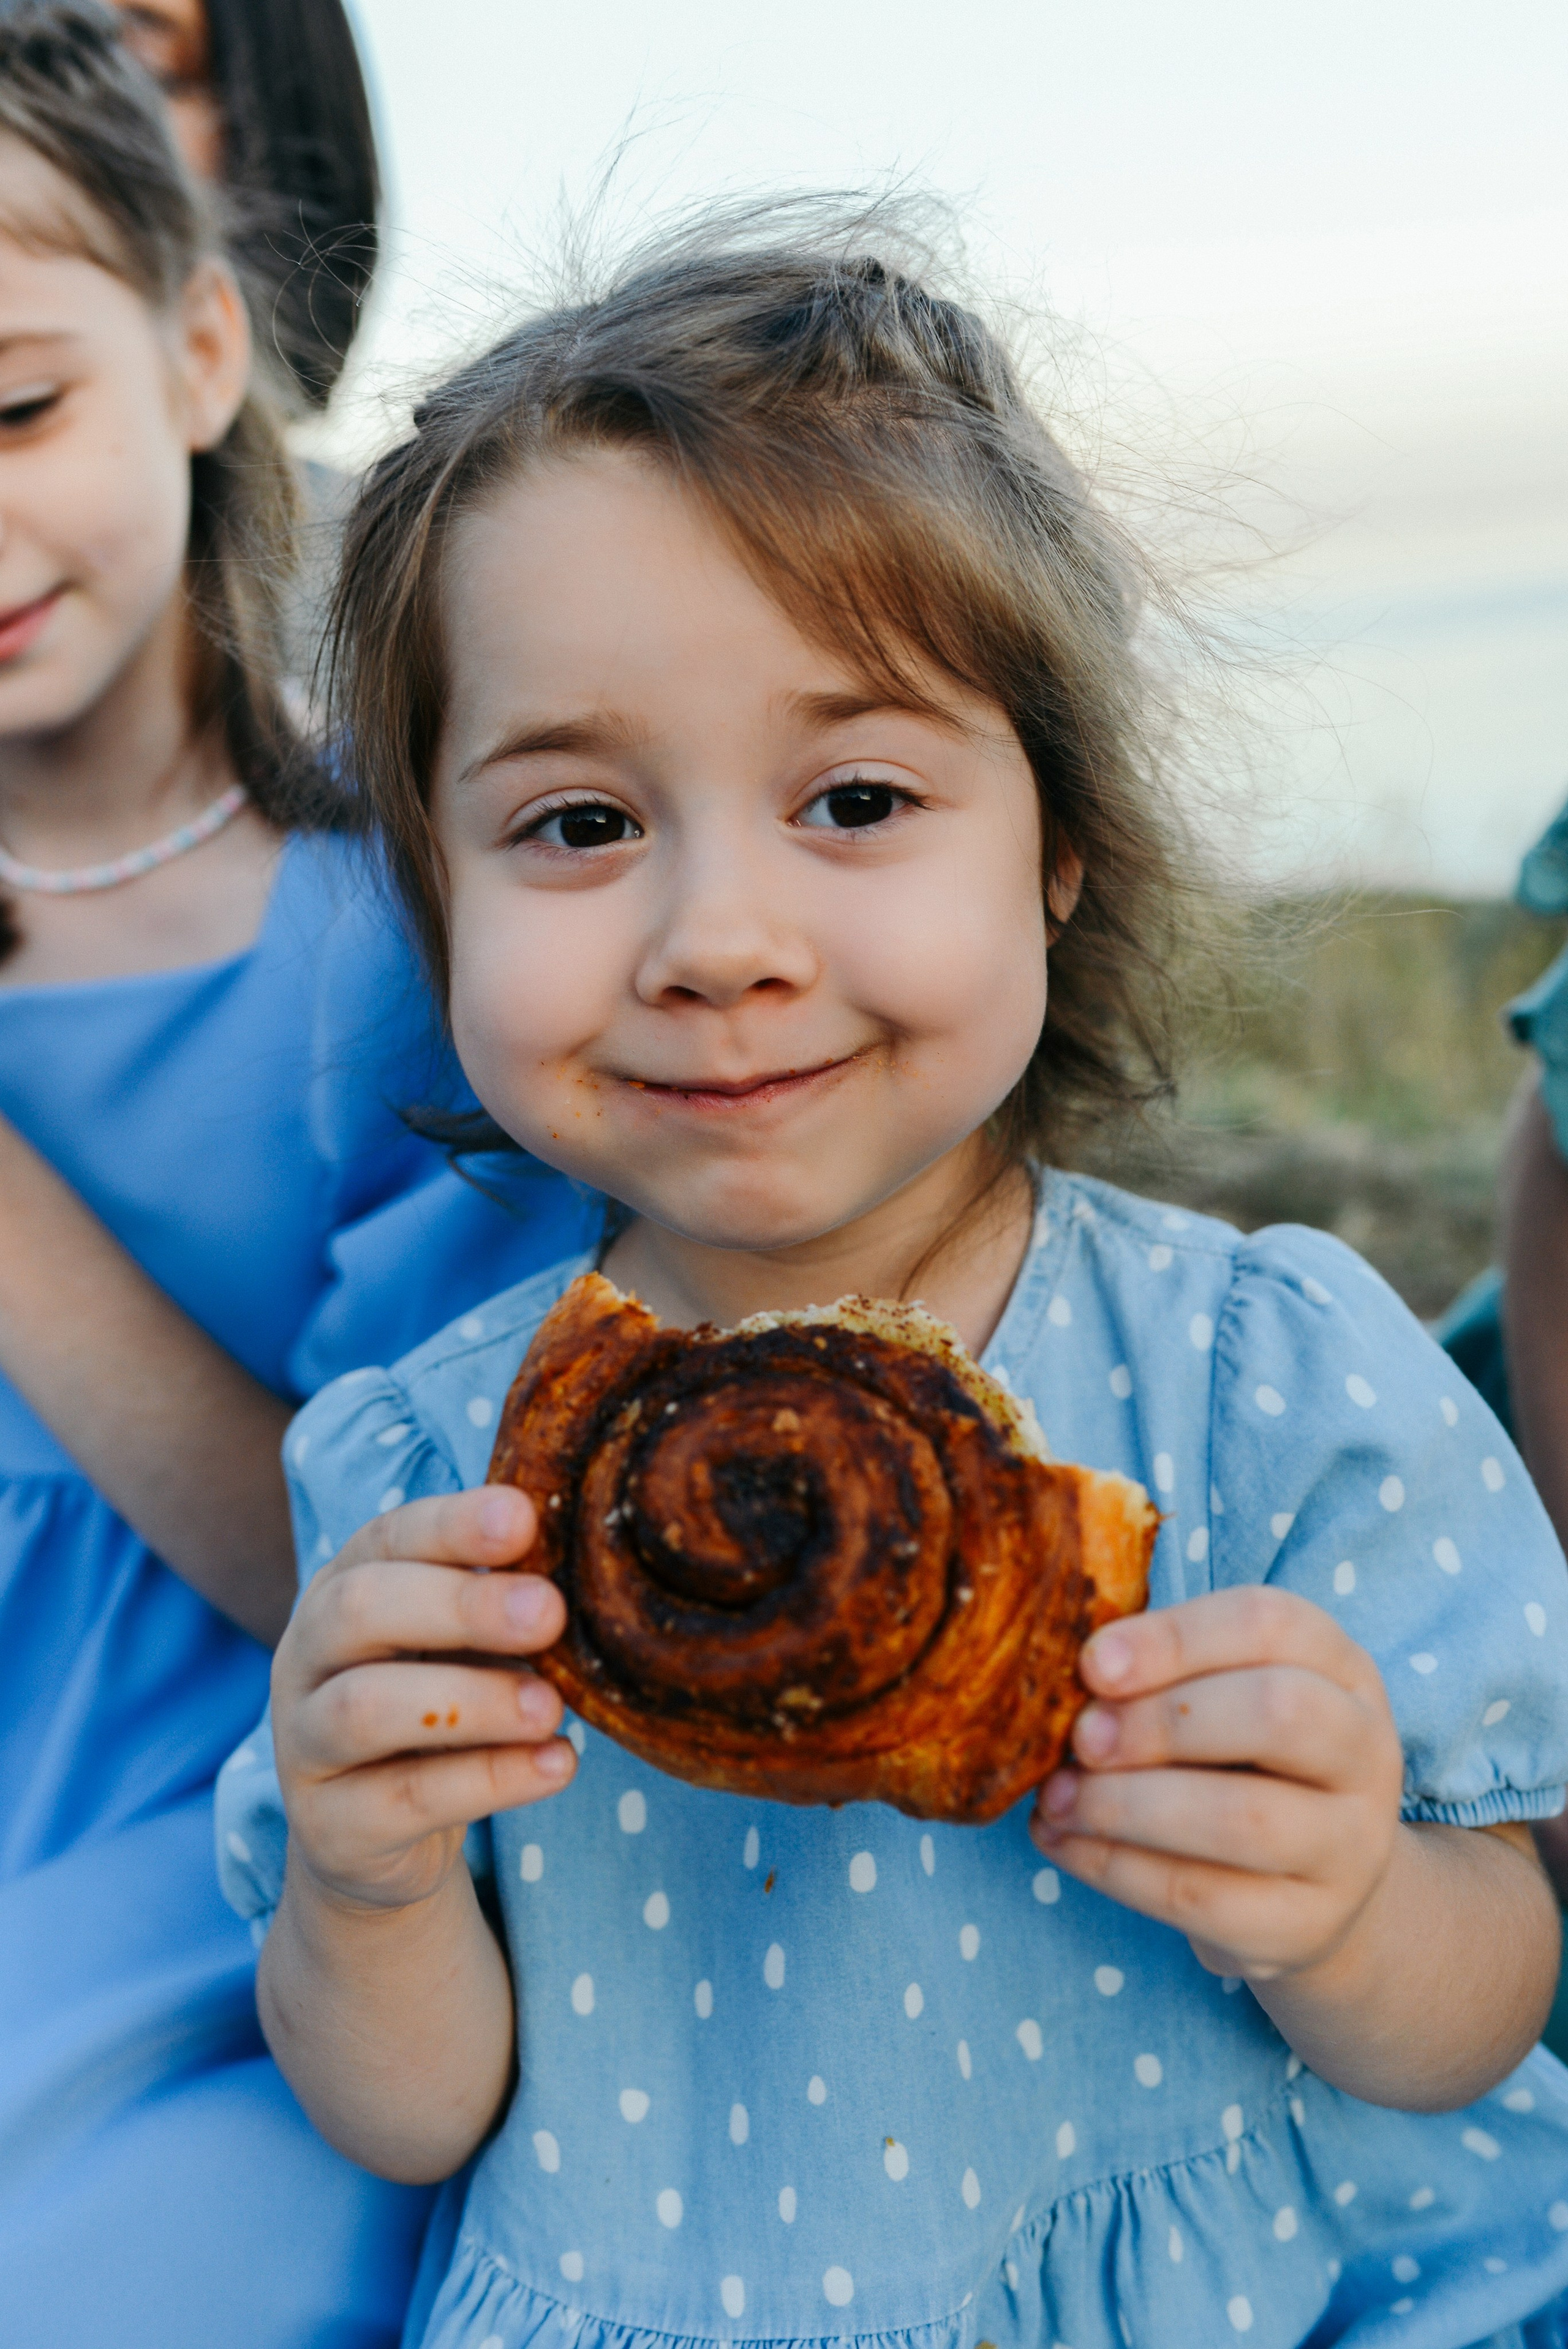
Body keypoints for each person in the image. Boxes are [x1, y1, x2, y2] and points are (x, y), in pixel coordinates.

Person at [220, 222, 1568, 2349]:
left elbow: (1482, 2002)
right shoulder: (432, 1485)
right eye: (575, 822)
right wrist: (361, 1876)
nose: (718, 932)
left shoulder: (1261, 1376)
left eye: (855, 796)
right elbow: (412, 2109)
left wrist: (1361, 1904)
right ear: (432, 887)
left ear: (1057, 841)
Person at [0, 15, 591, 2345]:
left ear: (205, 344)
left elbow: (345, 1556)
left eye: (14, 408)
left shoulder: (391, 929)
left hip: (236, 1857)